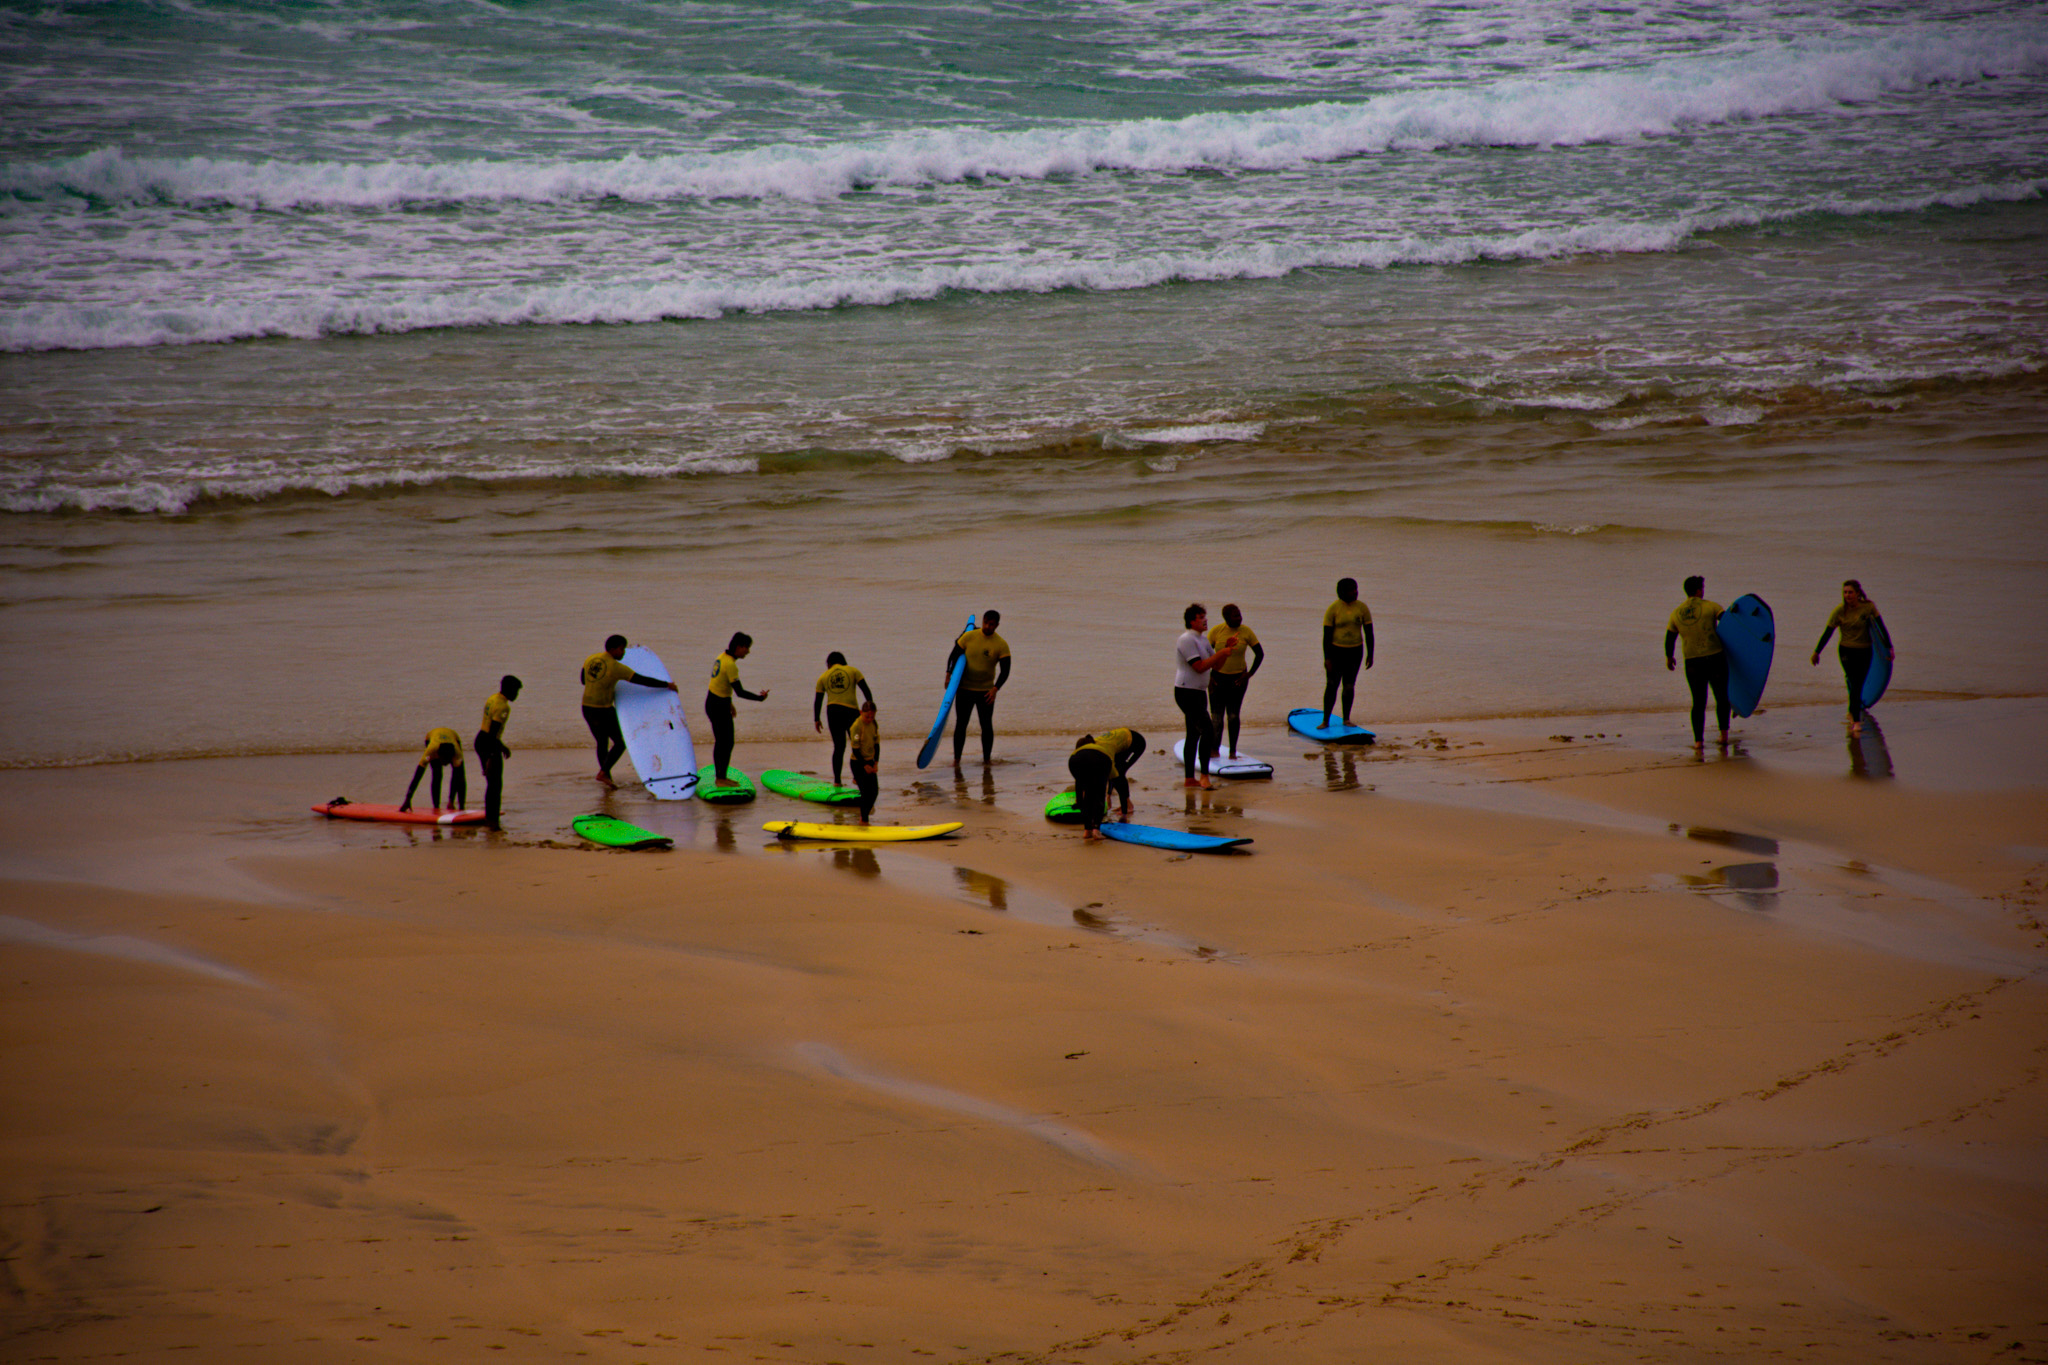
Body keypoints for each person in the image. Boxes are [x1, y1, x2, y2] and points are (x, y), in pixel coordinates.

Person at [581, 634, 679, 787]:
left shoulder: (590, 659)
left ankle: (607, 776)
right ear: (613, 649)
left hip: (587, 708)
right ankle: (603, 772)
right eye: (621, 649)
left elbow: (583, 680)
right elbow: (642, 680)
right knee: (620, 742)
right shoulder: (616, 667)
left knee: (602, 741)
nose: (624, 652)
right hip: (603, 710)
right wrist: (667, 685)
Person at [1810, 579, 1891, 736]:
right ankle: (1855, 720)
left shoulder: (1868, 608)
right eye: (1845, 592)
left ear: (1858, 593)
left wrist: (1889, 648)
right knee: (1855, 681)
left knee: (1857, 683)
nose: (1847, 595)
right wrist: (1817, 651)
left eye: (1850, 592)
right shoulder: (1839, 611)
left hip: (1865, 651)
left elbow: (1881, 628)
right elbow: (1828, 633)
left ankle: (1851, 710)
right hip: (1846, 651)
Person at [1175, 603, 1240, 790]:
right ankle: (1204, 776)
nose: (1206, 621)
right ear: (1192, 621)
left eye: (1205, 617)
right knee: (1208, 730)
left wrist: (1226, 651)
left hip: (1199, 692)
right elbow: (1199, 666)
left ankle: (1189, 778)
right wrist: (1221, 652)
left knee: (1194, 733)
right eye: (1201, 618)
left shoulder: (1203, 641)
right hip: (1186, 691)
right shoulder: (1186, 639)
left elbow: (1217, 666)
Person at [1664, 575, 1729, 750]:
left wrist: (1669, 657)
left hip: (1692, 662)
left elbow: (1670, 637)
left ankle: (1698, 742)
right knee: (1722, 697)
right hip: (1715, 657)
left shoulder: (1676, 613)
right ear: (1699, 590)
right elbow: (1729, 622)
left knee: (1698, 702)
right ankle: (1723, 736)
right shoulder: (1711, 606)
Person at [945, 610, 1011, 768]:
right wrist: (948, 675)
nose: (988, 626)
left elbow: (1006, 670)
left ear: (997, 625)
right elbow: (953, 656)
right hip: (964, 689)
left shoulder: (1000, 644)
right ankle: (957, 760)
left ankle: (987, 760)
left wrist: (995, 689)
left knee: (986, 725)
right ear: (983, 621)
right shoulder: (968, 637)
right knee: (961, 724)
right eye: (986, 622)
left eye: (992, 624)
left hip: (986, 692)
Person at [706, 631, 769, 786]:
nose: (748, 651)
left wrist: (729, 703)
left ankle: (720, 776)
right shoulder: (731, 665)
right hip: (718, 706)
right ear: (739, 647)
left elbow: (719, 684)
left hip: (713, 702)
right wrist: (760, 698)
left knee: (723, 742)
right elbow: (740, 692)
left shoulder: (721, 657)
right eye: (747, 648)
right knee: (725, 742)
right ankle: (720, 778)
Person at [1068, 727, 1146, 841]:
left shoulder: (1103, 749)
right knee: (1107, 780)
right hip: (1113, 750)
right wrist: (1106, 794)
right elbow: (1107, 775)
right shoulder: (1095, 748)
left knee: (1120, 771)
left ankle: (1127, 807)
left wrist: (1108, 795)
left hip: (1135, 742)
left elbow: (1114, 775)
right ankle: (1096, 829)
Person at [813, 651, 877, 788]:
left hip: (833, 713)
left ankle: (837, 781)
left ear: (829, 664)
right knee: (857, 744)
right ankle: (857, 777)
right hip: (851, 713)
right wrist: (870, 712)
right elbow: (866, 690)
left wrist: (816, 719)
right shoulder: (853, 671)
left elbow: (818, 700)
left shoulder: (823, 676)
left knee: (839, 747)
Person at [1206, 603, 1263, 758]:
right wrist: (1208, 676)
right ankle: (1214, 750)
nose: (1239, 618)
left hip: (1238, 679)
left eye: (1239, 614)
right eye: (1235, 615)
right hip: (1217, 679)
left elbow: (1260, 654)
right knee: (1216, 717)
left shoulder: (1246, 632)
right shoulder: (1216, 631)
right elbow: (1205, 656)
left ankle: (1232, 751)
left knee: (1233, 716)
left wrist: (1249, 674)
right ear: (1226, 618)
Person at [1320, 577, 1374, 729]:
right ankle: (1325, 721)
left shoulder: (1362, 608)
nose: (1355, 592)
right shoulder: (1333, 609)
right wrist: (1327, 658)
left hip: (1355, 652)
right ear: (1341, 592)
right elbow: (1327, 636)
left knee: (1349, 686)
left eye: (1356, 589)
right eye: (1351, 590)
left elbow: (1369, 632)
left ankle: (1346, 719)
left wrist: (1371, 654)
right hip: (1336, 651)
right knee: (1332, 685)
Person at [474, 674, 522, 830]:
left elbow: (489, 731)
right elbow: (493, 734)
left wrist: (499, 747)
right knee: (495, 785)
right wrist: (498, 750)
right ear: (509, 689)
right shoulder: (503, 707)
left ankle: (490, 819)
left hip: (481, 740)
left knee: (492, 784)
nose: (516, 695)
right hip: (489, 744)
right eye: (515, 691)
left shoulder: (493, 698)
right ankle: (493, 822)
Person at [400, 727, 466, 812]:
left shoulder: (457, 753)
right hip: (431, 738)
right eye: (444, 761)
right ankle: (436, 807)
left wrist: (460, 807)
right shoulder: (430, 751)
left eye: (448, 761)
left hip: (454, 738)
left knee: (459, 774)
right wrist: (408, 798)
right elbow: (418, 775)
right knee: (437, 774)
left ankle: (456, 804)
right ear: (438, 756)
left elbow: (460, 778)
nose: (446, 764)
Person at [848, 699, 882, 825]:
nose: (869, 719)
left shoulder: (874, 724)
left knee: (874, 792)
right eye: (867, 716)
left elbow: (877, 744)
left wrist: (876, 763)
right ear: (861, 712)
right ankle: (864, 820)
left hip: (870, 761)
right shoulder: (856, 726)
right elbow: (855, 749)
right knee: (865, 793)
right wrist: (865, 766)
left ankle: (863, 817)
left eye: (872, 716)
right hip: (858, 763)